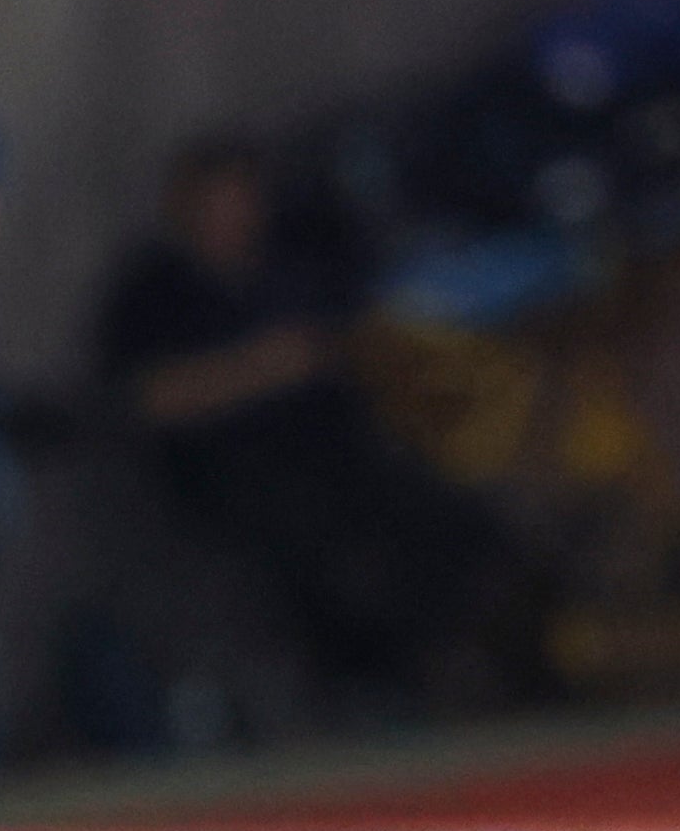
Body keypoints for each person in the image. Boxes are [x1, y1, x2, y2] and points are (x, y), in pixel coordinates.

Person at [92, 138, 523, 714]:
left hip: (337, 451)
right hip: (227, 476)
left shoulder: (299, 263)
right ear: (182, 207)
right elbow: (145, 400)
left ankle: (459, 671)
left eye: (239, 200)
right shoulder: (153, 292)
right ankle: (363, 691)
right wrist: (259, 368)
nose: (228, 218)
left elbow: (362, 344)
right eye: (211, 204)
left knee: (447, 523)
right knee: (305, 550)